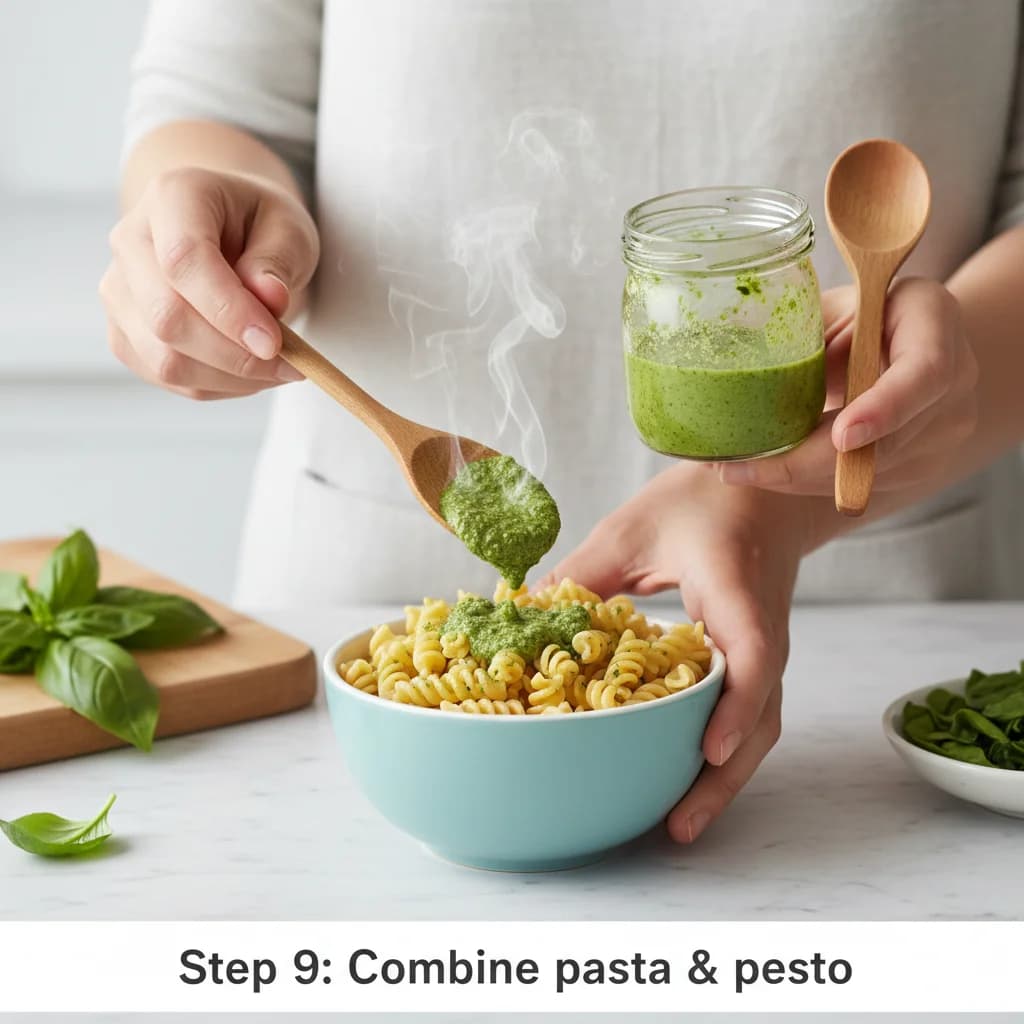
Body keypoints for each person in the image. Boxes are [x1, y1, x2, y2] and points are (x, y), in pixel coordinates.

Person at [103, 0, 1024, 843]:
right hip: (349, 603)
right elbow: (217, 100)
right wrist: (203, 217)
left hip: (892, 674)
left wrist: (785, 506)